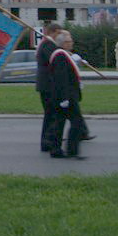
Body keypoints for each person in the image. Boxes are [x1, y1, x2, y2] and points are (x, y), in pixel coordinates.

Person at [48, 30, 88, 159]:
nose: (72, 43)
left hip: (65, 96)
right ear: (64, 43)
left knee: (60, 123)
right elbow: (62, 78)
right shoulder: (60, 56)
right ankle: (72, 150)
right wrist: (64, 98)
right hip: (66, 97)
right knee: (76, 122)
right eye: (69, 41)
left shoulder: (64, 55)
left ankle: (56, 149)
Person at [35, 22, 62, 153]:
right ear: (54, 32)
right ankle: (47, 141)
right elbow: (54, 62)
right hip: (47, 86)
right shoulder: (48, 45)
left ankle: (48, 140)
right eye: (59, 33)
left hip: (46, 85)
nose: (60, 36)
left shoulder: (47, 44)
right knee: (51, 115)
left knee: (51, 114)